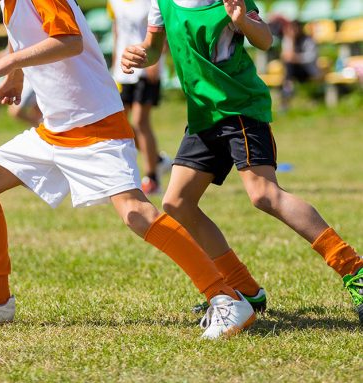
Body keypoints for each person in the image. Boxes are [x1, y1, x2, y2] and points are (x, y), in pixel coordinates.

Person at [0, 0, 257, 339]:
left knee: (136, 214)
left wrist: (7, 63)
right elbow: (22, 33)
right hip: (55, 128)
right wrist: (17, 74)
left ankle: (226, 298)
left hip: (96, 124)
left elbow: (69, 40)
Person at [121, 0, 363, 323]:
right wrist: (139, 54)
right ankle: (244, 289)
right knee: (177, 202)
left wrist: (243, 21)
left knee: (264, 194)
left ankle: (353, 268)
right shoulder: (160, 2)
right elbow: (153, 49)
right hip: (204, 117)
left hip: (239, 108)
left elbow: (265, 39)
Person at [107, 0, 172, 195]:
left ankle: (152, 178)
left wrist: (155, 59)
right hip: (122, 69)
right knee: (120, 123)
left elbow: (163, 30)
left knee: (140, 121)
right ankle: (158, 161)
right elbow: (117, 29)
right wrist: (114, 63)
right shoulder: (113, 2)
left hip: (145, 67)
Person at [0, 48, 42, 126]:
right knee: (36, 110)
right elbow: (8, 54)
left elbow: (10, 57)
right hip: (29, 76)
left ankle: (42, 127)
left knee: (16, 111)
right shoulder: (15, 40)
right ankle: (41, 127)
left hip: (35, 75)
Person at [280, 20, 320, 110]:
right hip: (294, 70)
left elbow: (311, 57)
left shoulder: (308, 40)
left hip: (307, 70)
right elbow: (286, 56)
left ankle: (287, 91)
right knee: (289, 65)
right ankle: (287, 90)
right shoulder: (288, 39)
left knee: (289, 66)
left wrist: (296, 58)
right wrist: (292, 40)